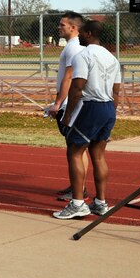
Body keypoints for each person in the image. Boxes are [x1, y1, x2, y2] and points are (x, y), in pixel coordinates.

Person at [53, 20, 122, 220]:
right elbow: (116, 91)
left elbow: (77, 87)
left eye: (82, 32)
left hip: (90, 106)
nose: (79, 35)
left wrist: (67, 116)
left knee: (74, 151)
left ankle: (77, 203)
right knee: (98, 155)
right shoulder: (112, 58)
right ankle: (100, 202)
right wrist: (111, 112)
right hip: (108, 107)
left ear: (89, 33)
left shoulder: (83, 55)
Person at [47, 12, 88, 201]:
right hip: (74, 102)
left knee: (76, 149)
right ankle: (76, 185)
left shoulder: (74, 48)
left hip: (72, 104)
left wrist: (58, 103)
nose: (59, 27)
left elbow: (69, 77)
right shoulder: (74, 47)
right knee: (77, 148)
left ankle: (79, 189)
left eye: (62, 25)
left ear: (73, 27)